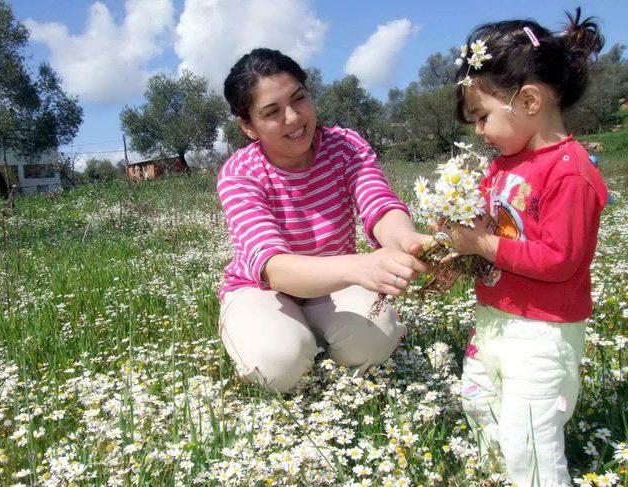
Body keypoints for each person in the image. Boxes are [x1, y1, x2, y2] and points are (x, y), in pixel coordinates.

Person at [448, 9, 607, 486]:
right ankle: (499, 477)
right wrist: (453, 231)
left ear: (530, 101)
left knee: (529, 435)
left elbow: (560, 260)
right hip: (496, 319)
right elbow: (487, 225)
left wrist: (483, 242)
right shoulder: (503, 167)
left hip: (544, 332)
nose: (478, 131)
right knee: (479, 404)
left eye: (483, 116)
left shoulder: (570, 170)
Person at [218, 48, 431, 393]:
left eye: (298, 98)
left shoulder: (345, 147)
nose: (293, 118)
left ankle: (313, 331)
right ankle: (265, 329)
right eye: (272, 112)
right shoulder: (240, 174)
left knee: (376, 343)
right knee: (276, 365)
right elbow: (274, 267)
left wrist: (409, 241)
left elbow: (378, 204)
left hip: (333, 285)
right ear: (248, 126)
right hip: (263, 289)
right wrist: (359, 268)